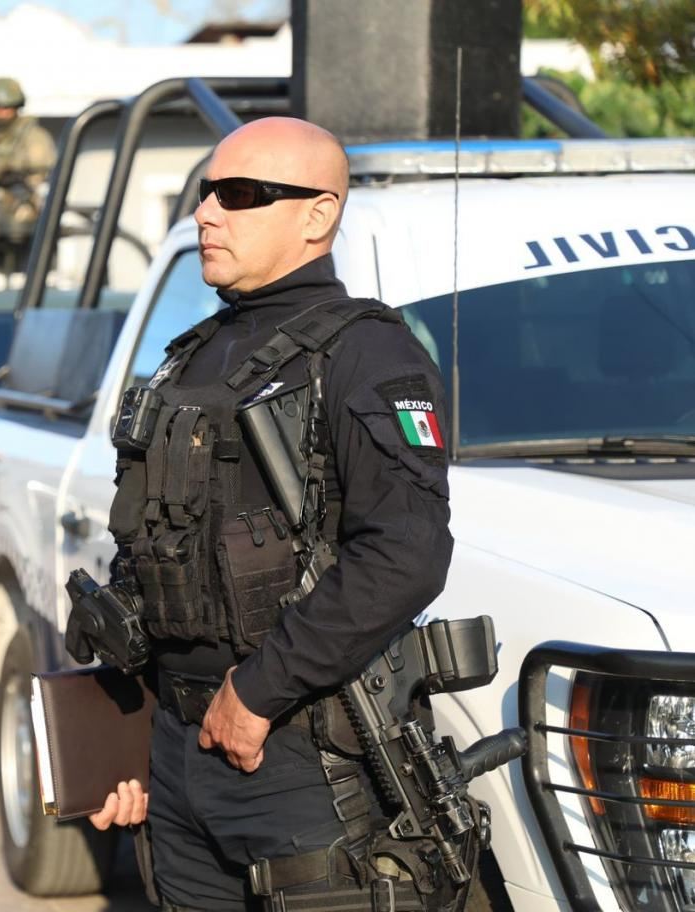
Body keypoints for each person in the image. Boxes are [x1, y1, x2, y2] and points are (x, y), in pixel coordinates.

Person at [85, 118, 457, 911]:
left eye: (241, 195)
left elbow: (406, 552)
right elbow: (147, 555)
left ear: (317, 216)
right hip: (179, 754)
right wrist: (123, 733)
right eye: (207, 192)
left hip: (300, 758)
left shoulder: (368, 355)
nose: (208, 214)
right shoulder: (189, 356)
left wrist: (258, 691)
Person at [0, 77, 57, 219]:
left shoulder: (34, 136)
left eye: (6, 107)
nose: (1, 112)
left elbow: (40, 168)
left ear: (17, 106)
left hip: (25, 211)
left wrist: (6, 165)